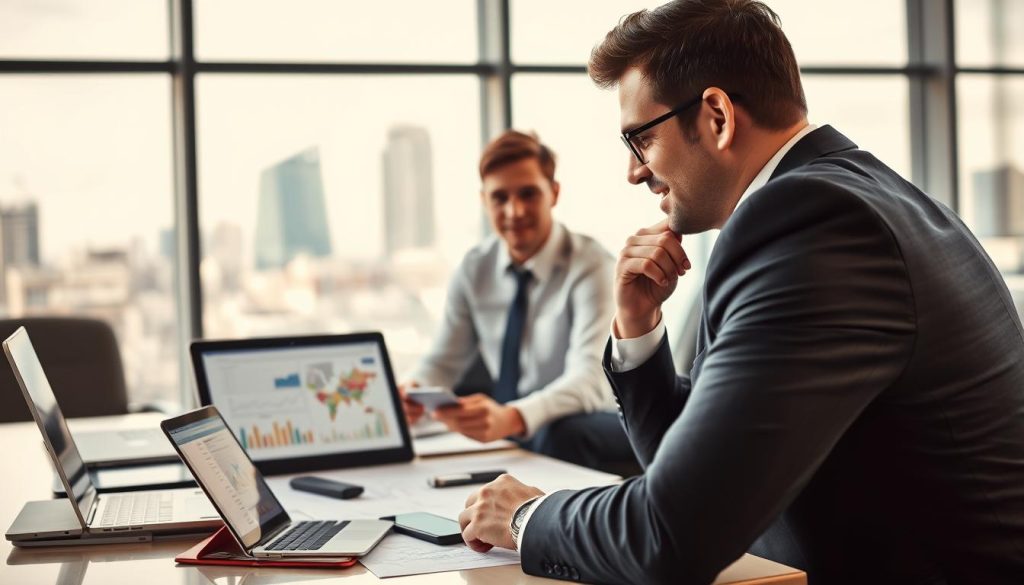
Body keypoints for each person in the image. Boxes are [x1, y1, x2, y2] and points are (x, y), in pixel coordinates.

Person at [456, 2, 1024, 584]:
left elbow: (675, 531)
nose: (634, 171)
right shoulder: (867, 197)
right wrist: (638, 327)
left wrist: (527, 517)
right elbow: (699, 474)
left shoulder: (809, 223)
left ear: (718, 116)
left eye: (640, 139)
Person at [400, 130, 637, 474]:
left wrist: (512, 417)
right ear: (484, 201)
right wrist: (413, 390)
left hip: (599, 415)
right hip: (522, 420)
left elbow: (589, 380)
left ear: (554, 193)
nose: (515, 211)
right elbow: (443, 361)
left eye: (528, 194)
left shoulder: (592, 266)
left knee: (558, 432)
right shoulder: (475, 268)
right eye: (500, 198)